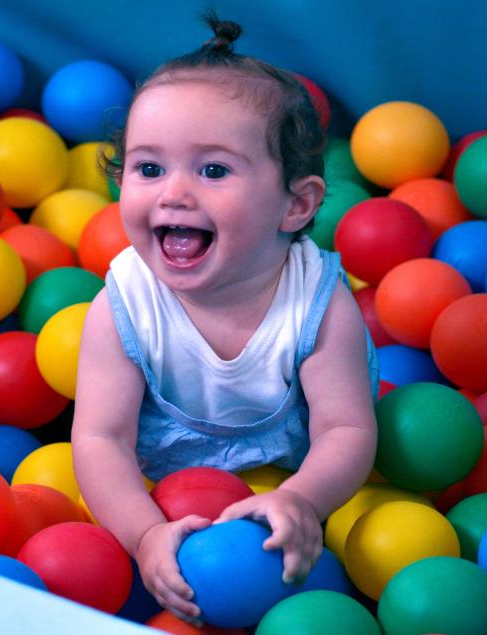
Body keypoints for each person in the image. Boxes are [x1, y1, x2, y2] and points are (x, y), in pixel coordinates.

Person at [71, 14, 379, 624]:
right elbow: (100, 438)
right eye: (148, 168)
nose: (173, 193)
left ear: (296, 204)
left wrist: (302, 500)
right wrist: (142, 536)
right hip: (163, 488)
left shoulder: (317, 302)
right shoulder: (125, 303)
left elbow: (347, 429)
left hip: (290, 471)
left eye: (213, 170)